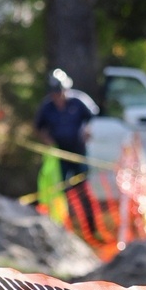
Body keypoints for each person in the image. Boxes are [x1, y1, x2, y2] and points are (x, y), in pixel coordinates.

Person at [33, 70, 98, 231]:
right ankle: (64, 226)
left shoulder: (78, 101)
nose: (57, 96)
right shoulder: (47, 108)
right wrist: (47, 140)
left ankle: (91, 227)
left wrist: (88, 130)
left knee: (83, 189)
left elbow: (92, 116)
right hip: (60, 157)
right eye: (54, 93)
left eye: (59, 92)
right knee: (61, 191)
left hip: (78, 154)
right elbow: (38, 127)